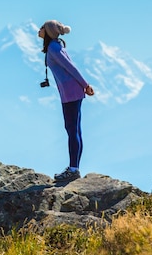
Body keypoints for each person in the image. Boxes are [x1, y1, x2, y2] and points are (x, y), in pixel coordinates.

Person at [38, 20, 95, 182]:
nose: (39, 30)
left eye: (42, 28)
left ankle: (73, 169)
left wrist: (86, 85)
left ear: (48, 31)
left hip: (71, 92)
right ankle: (74, 167)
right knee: (74, 129)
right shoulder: (55, 46)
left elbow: (71, 67)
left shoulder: (54, 48)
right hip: (70, 91)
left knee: (72, 129)